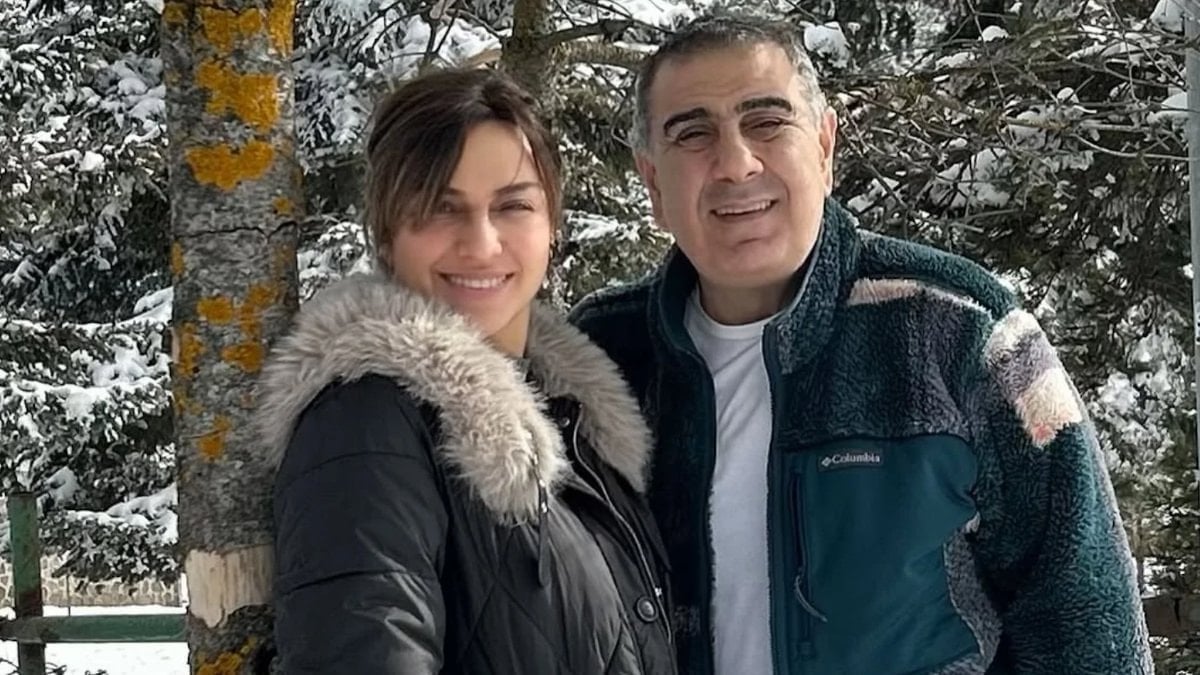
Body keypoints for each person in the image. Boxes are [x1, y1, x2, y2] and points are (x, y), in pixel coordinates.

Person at [570, 14, 1152, 675]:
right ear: (652, 182)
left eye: (767, 121)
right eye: (693, 133)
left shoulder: (964, 328)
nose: (735, 163)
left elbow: (1085, 611)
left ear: (824, 146)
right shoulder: (601, 356)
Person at [258, 68, 675, 674]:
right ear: (386, 235)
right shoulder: (365, 423)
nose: (480, 244)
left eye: (513, 206)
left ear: (552, 226)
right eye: (439, 209)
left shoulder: (575, 423)